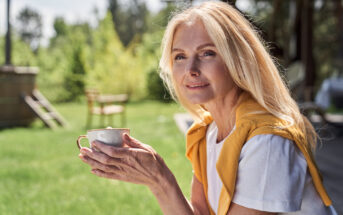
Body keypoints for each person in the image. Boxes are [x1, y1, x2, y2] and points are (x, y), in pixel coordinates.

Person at [79, 2, 338, 214]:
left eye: (207, 53)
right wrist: (155, 180)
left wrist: (161, 179)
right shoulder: (207, 132)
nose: (190, 70)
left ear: (238, 60)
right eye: (179, 56)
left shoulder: (266, 141)